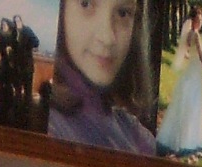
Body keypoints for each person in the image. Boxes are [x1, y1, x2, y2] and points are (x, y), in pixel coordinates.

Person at [47, 0, 154, 153]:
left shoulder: (136, 135)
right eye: (86, 4)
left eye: (123, 13)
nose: (107, 38)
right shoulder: (46, 127)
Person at [155, 3, 202, 154]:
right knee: (192, 105)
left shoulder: (188, 35)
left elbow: (186, 52)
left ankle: (177, 137)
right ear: (193, 21)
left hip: (191, 71)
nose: (200, 22)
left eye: (201, 20)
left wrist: (194, 56)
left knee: (185, 103)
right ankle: (187, 140)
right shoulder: (196, 35)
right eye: (198, 20)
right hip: (194, 73)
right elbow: (200, 56)